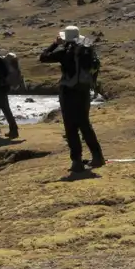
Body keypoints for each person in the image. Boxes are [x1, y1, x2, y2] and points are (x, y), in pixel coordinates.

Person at [39, 26, 104, 173]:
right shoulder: (88, 50)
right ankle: (98, 156)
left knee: (71, 127)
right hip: (84, 91)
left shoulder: (65, 52)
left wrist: (55, 44)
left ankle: (77, 161)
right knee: (85, 124)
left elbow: (43, 57)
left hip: (69, 92)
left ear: (65, 38)